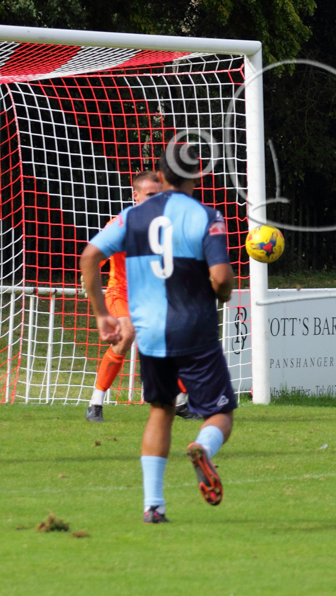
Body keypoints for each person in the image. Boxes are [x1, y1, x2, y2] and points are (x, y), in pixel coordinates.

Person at [80, 144, 235, 523]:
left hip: (150, 333)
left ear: (161, 176)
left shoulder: (131, 216)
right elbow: (221, 278)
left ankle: (153, 506)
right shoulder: (207, 216)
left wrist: (101, 315)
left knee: (160, 411)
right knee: (221, 412)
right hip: (194, 329)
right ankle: (203, 447)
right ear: (196, 176)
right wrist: (220, 292)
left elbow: (89, 256)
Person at [86, 171, 161, 422]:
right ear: (135, 196)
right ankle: (95, 403)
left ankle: (181, 402)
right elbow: (94, 256)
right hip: (121, 293)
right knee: (126, 334)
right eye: (149, 195)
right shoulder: (119, 225)